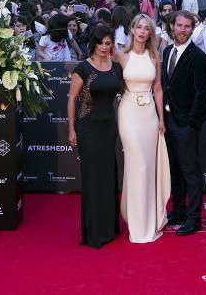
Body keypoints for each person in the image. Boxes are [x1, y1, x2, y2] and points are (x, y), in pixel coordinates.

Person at [115, 13, 170, 243]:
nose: (142, 31)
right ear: (132, 29)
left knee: (147, 168)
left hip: (149, 115)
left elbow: (157, 89)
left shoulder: (154, 57)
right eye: (139, 27)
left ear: (150, 33)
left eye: (146, 28)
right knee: (137, 164)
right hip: (128, 112)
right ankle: (136, 224)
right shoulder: (121, 56)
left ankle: (148, 219)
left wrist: (160, 118)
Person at [68, 24, 123, 249]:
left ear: (112, 46)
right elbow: (72, 100)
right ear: (93, 44)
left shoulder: (116, 68)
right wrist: (71, 129)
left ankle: (109, 227)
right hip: (88, 127)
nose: (103, 47)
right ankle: (94, 231)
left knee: (108, 175)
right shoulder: (83, 68)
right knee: (93, 178)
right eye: (100, 43)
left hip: (109, 127)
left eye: (108, 43)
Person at [160, 11, 206, 236]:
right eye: (179, 25)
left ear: (192, 29)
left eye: (187, 26)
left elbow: (202, 94)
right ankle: (178, 210)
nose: (182, 30)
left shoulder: (199, 57)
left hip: (186, 123)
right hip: (168, 121)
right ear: (172, 26)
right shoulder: (168, 51)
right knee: (175, 170)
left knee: (190, 171)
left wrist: (191, 122)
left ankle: (194, 217)